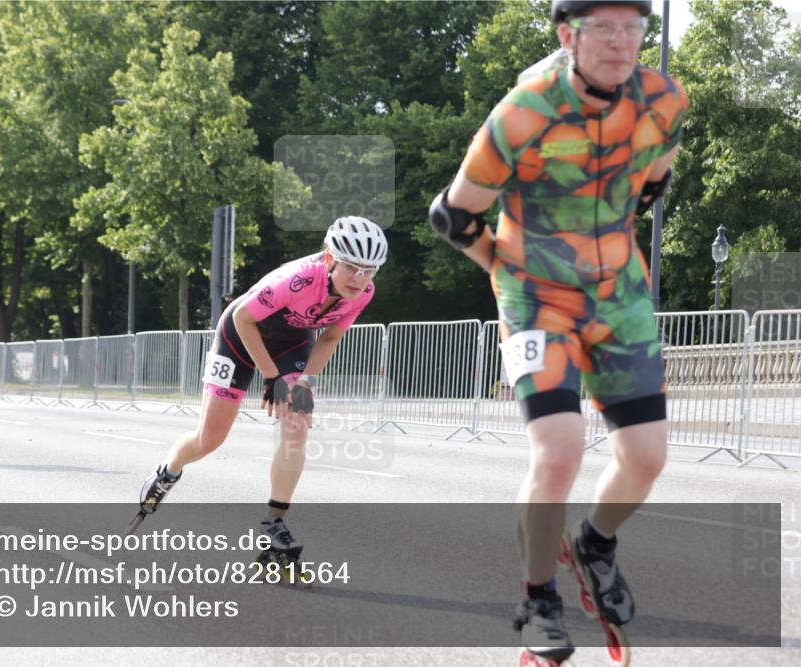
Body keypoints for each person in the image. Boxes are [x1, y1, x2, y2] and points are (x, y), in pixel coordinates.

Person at [428, 0, 687, 662]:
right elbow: (453, 214)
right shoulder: (523, 112)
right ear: (569, 34)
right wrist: (501, 265)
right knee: (560, 449)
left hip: (618, 297)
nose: (622, 42)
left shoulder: (662, 100)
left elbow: (655, 180)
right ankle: (538, 596)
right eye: (604, 27)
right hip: (535, 296)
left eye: (634, 27)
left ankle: (593, 542)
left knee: (649, 455)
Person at [133, 217, 387, 563]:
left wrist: (306, 382)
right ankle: (169, 470)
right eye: (352, 268)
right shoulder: (297, 280)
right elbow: (243, 319)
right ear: (329, 259)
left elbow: (330, 336)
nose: (360, 279)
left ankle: (273, 525)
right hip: (240, 337)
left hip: (292, 343)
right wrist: (271, 377)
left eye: (369, 271)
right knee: (209, 440)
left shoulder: (363, 293)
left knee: (296, 425)